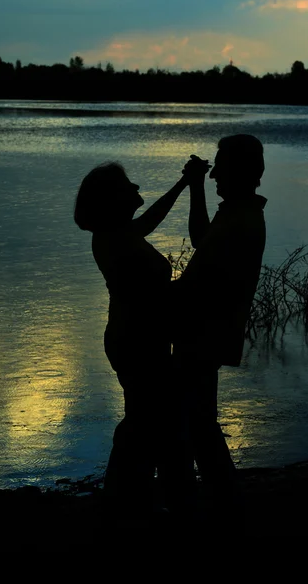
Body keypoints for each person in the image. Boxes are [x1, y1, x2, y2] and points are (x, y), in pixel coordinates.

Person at [74, 161, 194, 519]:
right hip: (136, 342)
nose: (139, 194)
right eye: (131, 189)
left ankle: (128, 498)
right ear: (113, 199)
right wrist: (195, 285)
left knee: (144, 420)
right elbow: (150, 297)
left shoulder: (120, 233)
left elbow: (151, 218)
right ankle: (133, 500)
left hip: (138, 340)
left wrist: (183, 184)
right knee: (149, 422)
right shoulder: (115, 239)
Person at [173, 134, 267, 509]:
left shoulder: (240, 220)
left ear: (238, 171)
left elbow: (196, 282)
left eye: (219, 168)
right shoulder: (237, 212)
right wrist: (195, 187)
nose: (214, 177)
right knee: (198, 421)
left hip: (203, 334)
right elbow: (200, 239)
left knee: (195, 424)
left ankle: (219, 500)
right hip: (208, 333)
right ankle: (219, 498)